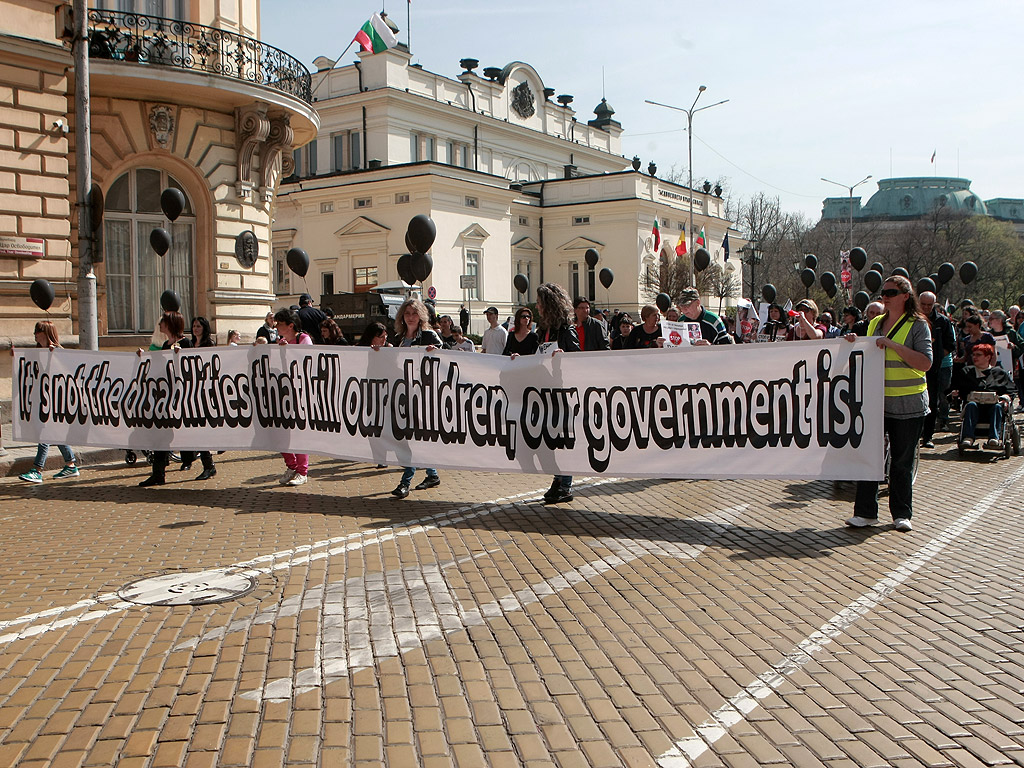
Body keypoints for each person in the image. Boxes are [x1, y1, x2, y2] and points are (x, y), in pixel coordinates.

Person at [845, 275, 932, 533]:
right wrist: (853, 341)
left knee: (901, 462)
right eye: (883, 292)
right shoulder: (874, 324)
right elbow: (866, 354)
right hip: (876, 402)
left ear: (906, 295)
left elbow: (925, 363)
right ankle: (865, 513)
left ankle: (902, 513)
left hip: (908, 404)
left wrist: (893, 345)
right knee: (869, 458)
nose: (885, 296)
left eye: (891, 292)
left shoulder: (918, 325)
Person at [529, 283, 580, 504]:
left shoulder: (566, 330)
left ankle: (565, 484)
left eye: (541, 303)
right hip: (546, 392)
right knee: (551, 441)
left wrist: (564, 357)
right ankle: (558, 479)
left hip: (563, 394)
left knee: (562, 440)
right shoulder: (543, 330)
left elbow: (578, 359)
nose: (538, 307)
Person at [391, 299, 442, 498]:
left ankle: (406, 481)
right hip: (404, 393)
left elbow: (446, 358)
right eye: (407, 313)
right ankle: (432, 473)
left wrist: (434, 352)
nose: (410, 317)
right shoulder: (400, 338)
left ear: (421, 315)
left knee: (412, 437)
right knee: (412, 437)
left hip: (424, 395)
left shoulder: (429, 335)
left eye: (414, 313)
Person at [18, 321, 80, 484]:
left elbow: (68, 373)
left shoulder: (58, 351)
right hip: (43, 400)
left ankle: (37, 470)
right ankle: (71, 464)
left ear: (46, 333)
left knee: (45, 434)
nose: (35, 334)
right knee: (55, 434)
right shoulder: (38, 352)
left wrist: (54, 356)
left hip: (55, 401)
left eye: (38, 331)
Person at [138, 311, 194, 487]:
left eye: (163, 322)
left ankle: (208, 464)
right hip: (166, 396)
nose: (160, 325)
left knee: (190, 431)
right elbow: (159, 368)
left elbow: (191, 369)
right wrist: (143, 358)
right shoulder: (164, 344)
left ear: (170, 324)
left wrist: (180, 357)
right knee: (160, 434)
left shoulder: (186, 343)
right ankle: (158, 473)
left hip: (181, 396)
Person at [275, 308, 313, 487]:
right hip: (284, 393)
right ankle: (292, 466)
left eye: (280, 325)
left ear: (290, 326)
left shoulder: (303, 340)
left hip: (300, 394)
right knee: (280, 433)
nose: (277, 328)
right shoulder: (281, 342)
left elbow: (308, 363)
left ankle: (302, 471)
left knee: (298, 433)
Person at [952, 343, 1013, 448]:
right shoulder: (966, 372)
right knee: (971, 405)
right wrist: (956, 393)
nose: (974, 357)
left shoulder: (999, 373)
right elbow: (958, 390)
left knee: (997, 407)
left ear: (988, 357)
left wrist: (1005, 399)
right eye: (973, 355)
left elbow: (1010, 391)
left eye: (978, 355)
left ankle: (994, 438)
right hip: (974, 407)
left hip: (993, 407)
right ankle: (968, 438)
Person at [917, 291, 956, 448]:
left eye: (929, 305)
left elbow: (950, 344)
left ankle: (928, 436)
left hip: (933, 370)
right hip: (913, 367)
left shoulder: (942, 321)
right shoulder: (912, 319)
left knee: (932, 402)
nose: (926, 308)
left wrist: (935, 356)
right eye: (923, 305)